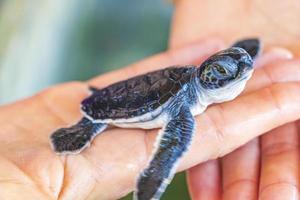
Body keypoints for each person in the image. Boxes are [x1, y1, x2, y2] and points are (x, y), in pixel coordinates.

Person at [1, 1, 300, 200]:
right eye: (222, 70)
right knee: (172, 144)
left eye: (241, 64)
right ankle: (86, 126)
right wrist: (152, 181)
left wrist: (243, 51)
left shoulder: (200, 76)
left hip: (139, 87)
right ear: (207, 77)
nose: (239, 69)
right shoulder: (183, 106)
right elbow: (171, 148)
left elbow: (236, 61)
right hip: (107, 104)